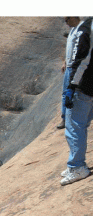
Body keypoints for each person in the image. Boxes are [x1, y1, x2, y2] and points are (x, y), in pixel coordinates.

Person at [60, 17, 93, 186]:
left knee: (74, 126)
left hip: (83, 85)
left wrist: (72, 86)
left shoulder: (85, 29)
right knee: (82, 124)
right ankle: (76, 163)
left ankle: (77, 166)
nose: (64, 20)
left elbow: (81, 61)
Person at [57, 17, 84, 129]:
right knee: (65, 94)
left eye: (67, 19)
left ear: (73, 17)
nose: (66, 23)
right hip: (68, 67)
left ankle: (70, 119)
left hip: (74, 67)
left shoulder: (81, 30)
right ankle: (64, 118)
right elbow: (69, 48)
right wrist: (64, 62)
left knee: (71, 93)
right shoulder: (73, 29)